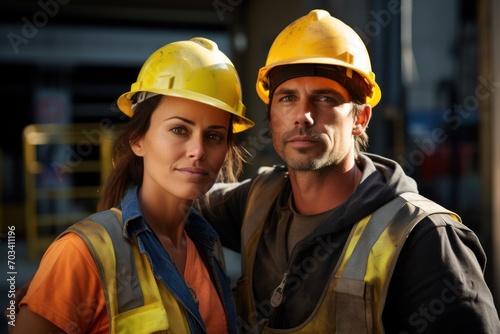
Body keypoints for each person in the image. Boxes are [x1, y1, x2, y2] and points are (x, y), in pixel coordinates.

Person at [196, 9, 500, 333]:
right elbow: (171, 200)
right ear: (271, 117)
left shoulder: (424, 239)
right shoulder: (257, 201)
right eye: (287, 98)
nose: (303, 116)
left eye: (325, 98)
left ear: (360, 119)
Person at [10, 37, 254, 333]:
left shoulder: (205, 247)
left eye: (214, 136)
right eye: (179, 129)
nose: (198, 150)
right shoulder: (81, 254)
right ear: (137, 140)